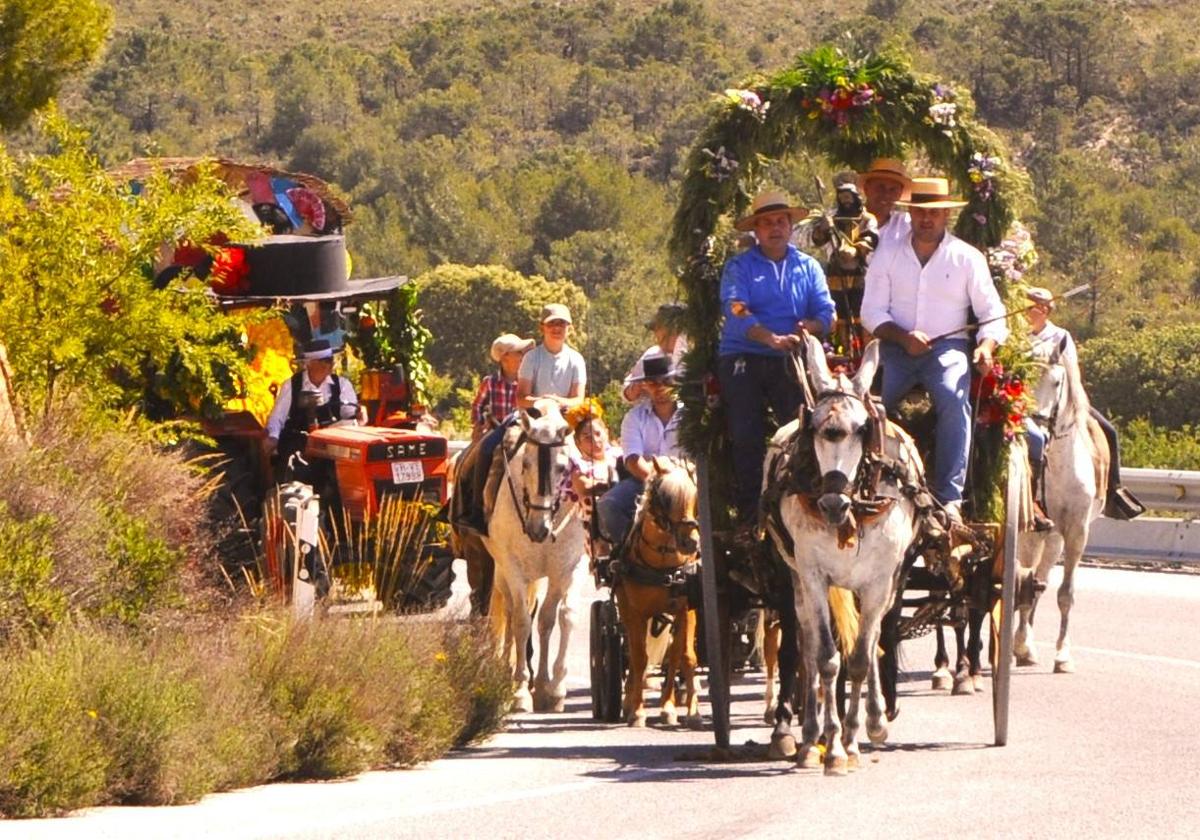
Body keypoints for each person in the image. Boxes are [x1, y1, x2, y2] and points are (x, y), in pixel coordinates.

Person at [861, 176, 1008, 521]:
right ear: (910, 213)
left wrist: (986, 347)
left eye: (935, 213)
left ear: (946, 215)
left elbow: (992, 313)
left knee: (954, 399)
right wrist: (902, 337)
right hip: (895, 346)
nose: (927, 219)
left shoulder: (966, 257)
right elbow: (871, 311)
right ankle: (868, 483)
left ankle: (949, 496)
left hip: (948, 348)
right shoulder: (887, 254)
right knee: (870, 405)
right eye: (920, 212)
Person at [719, 189, 836, 524]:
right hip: (745, 355)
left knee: (801, 431)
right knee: (746, 434)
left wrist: (809, 327)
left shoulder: (808, 266)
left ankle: (799, 505)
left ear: (790, 226)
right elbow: (735, 307)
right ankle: (748, 515)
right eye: (767, 223)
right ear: (756, 230)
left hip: (791, 355)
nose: (775, 228)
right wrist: (767, 336)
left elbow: (827, 313)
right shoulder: (739, 267)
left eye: (781, 221)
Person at [458, 303, 587, 535]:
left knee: (595, 458)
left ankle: (596, 523)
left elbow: (578, 398)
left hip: (565, 423)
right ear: (542, 327)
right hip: (532, 420)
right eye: (552, 324)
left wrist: (558, 402)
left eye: (562, 324)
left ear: (570, 328)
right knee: (487, 448)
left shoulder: (576, 360)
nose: (557, 328)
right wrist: (541, 402)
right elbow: (521, 398)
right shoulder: (532, 358)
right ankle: (476, 509)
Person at [1023, 287, 1144, 520]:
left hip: (1058, 401)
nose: (1027, 311)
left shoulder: (1061, 337)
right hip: (1025, 403)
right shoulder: (1018, 336)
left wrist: (1075, 403)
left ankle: (1113, 490)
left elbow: (1073, 374)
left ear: (1045, 310)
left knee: (1109, 431)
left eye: (1032, 306)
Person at [597, 353, 684, 550]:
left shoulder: (690, 416)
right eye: (653, 383)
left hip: (685, 483)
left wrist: (673, 486)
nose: (660, 387)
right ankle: (629, 553)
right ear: (645, 385)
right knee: (608, 505)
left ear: (676, 382)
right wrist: (660, 485)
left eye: (666, 381)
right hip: (644, 481)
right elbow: (633, 461)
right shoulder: (634, 417)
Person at [809, 175, 879, 359]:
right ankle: (840, 348)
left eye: (848, 196)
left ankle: (862, 349)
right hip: (836, 269)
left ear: (855, 196)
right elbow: (818, 240)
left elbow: (872, 236)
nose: (845, 200)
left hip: (857, 270)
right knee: (838, 308)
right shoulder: (833, 217)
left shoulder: (866, 218)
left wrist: (856, 250)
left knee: (858, 309)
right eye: (842, 197)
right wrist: (823, 228)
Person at [264, 338, 359, 475]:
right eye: (325, 361)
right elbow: (277, 418)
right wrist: (273, 437)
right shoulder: (292, 385)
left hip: (333, 445)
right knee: (292, 467)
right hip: (299, 443)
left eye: (331, 360)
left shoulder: (342, 385)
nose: (330, 364)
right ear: (309, 364)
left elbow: (350, 415)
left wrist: (358, 416)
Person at [562, 400, 622, 561]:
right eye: (587, 437)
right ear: (578, 442)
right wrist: (612, 485)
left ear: (606, 433)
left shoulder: (620, 456)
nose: (595, 440)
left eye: (598, 434)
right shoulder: (578, 465)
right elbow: (583, 487)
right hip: (595, 531)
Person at [471, 333, 535, 443]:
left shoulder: (527, 383)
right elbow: (477, 405)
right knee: (485, 450)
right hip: (496, 431)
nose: (523, 356)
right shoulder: (490, 382)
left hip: (521, 434)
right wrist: (479, 424)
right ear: (505, 356)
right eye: (519, 352)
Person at [622, 302, 689, 403]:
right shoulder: (652, 355)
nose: (655, 334)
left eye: (657, 328)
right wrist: (633, 390)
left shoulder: (695, 354)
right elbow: (627, 390)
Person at [858, 157, 912, 254]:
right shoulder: (844, 219)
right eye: (880, 187)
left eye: (893, 190)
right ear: (866, 188)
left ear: (900, 194)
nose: (886, 194)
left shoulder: (906, 224)